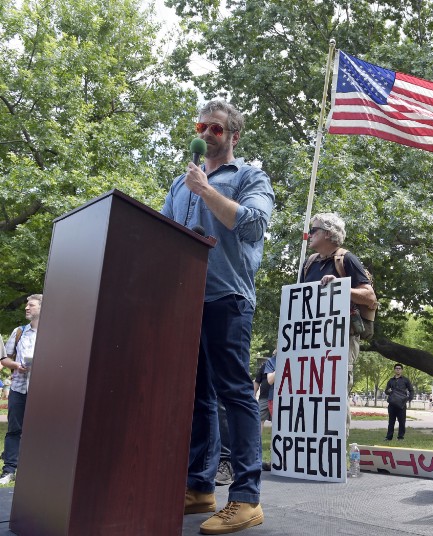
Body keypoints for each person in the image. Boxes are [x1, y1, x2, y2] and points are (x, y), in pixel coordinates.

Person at [162, 99, 274, 534]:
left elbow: (252, 226)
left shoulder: (249, 176)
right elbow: (167, 237)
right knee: (197, 396)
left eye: (218, 129)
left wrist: (206, 190)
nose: (207, 133)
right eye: (202, 126)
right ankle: (200, 487)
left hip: (228, 298)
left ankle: (246, 498)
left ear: (234, 136)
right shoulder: (177, 185)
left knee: (235, 393)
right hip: (187, 301)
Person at [300, 212, 378, 431]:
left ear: (327, 233)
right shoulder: (308, 264)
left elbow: (369, 297)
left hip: (341, 338)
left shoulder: (346, 259)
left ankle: (337, 457)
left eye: (313, 230)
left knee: (336, 393)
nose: (309, 235)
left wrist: (340, 286)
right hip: (311, 340)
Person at [0, 294, 42, 485]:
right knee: (14, 429)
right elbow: (4, 359)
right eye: (26, 305)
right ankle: (9, 470)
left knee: (42, 429)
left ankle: (37, 469)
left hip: (43, 389)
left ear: (42, 308)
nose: (27, 308)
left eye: (31, 305)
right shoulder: (19, 332)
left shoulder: (54, 332)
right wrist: (16, 365)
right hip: (18, 389)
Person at [384, 364, 413, 440]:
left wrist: (409, 399)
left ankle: (400, 437)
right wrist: (388, 391)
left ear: (402, 370)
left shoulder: (405, 380)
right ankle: (389, 437)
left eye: (399, 368)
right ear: (394, 370)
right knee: (391, 421)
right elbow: (386, 391)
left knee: (402, 421)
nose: (398, 370)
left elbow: (411, 390)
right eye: (396, 368)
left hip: (401, 404)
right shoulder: (390, 380)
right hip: (392, 404)